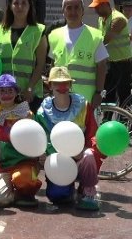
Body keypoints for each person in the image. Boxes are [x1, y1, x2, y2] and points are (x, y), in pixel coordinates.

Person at [37, 66, 101, 210]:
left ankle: (87, 190)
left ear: (71, 85)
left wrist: (83, 150)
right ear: (50, 86)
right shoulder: (43, 112)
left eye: (65, 83)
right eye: (57, 83)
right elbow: (42, 139)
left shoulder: (83, 106)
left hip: (79, 158)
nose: (62, 87)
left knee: (89, 155)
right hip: (58, 160)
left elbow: (93, 135)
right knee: (58, 196)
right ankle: (68, 188)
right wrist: (46, 155)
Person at [0, 73, 42, 208]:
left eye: (10, 90)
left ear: (16, 92)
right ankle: (10, 192)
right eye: (2, 91)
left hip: (23, 162)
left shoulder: (27, 115)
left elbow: (36, 140)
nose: (6, 94)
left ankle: (23, 192)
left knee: (24, 178)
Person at [46, 0, 108, 108]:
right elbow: (53, 65)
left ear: (82, 11)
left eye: (76, 7)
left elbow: (102, 66)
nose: (73, 12)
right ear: (63, 12)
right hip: (60, 97)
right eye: (69, 8)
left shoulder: (94, 36)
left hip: (85, 97)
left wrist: (99, 92)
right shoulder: (54, 35)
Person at [0, 0, 47, 108]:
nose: (20, 6)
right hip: (5, 94)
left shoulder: (38, 31)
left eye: (24, 3)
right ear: (10, 6)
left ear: (29, 6)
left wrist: (30, 88)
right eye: (16, 3)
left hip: (29, 94)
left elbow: (40, 64)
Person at [89, 0, 132, 107]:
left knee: (123, 95)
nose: (95, 10)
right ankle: (107, 116)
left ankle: (126, 117)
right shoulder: (101, 18)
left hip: (122, 63)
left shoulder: (118, 19)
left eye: (97, 7)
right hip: (110, 62)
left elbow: (106, 39)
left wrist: (88, 47)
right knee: (108, 94)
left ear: (105, 5)